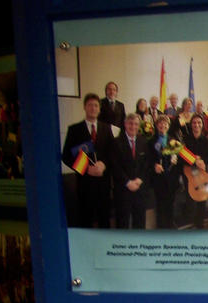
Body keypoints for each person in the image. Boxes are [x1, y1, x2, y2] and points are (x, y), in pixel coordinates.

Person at [62, 92, 114, 228]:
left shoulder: (106, 128)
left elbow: (112, 153)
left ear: (99, 109)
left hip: (103, 183)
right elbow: (66, 156)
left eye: (96, 105)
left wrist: (104, 164)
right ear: (84, 107)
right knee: (85, 220)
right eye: (90, 105)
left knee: (104, 220)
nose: (93, 108)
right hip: (85, 183)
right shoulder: (74, 129)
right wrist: (86, 168)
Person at [111, 112, 152, 228]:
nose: (133, 126)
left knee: (139, 223)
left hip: (140, 189)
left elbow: (147, 164)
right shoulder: (116, 142)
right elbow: (115, 166)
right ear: (125, 124)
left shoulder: (143, 141)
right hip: (123, 190)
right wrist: (128, 182)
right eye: (130, 123)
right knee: (122, 223)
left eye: (136, 124)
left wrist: (140, 180)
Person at [177, 113, 208, 228]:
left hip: (202, 175)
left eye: (199, 123)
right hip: (189, 175)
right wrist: (194, 161)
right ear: (191, 125)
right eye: (194, 123)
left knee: (202, 201)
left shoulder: (206, 141)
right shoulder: (185, 139)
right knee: (190, 201)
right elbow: (181, 158)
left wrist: (202, 161)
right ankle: (191, 226)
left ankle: (200, 225)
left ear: (202, 125)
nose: (196, 125)